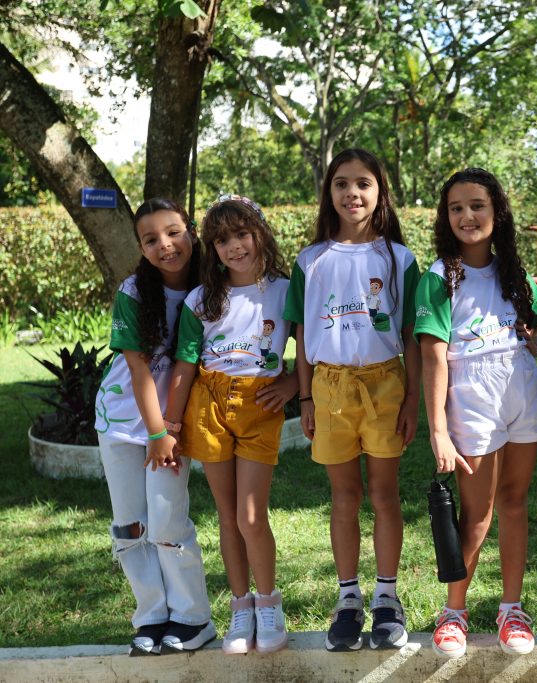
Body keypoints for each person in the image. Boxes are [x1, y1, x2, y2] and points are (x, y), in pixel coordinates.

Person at [283, 148, 421, 652]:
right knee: (344, 496)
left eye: (363, 183)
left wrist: (412, 400)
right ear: (329, 192)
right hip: (329, 387)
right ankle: (347, 599)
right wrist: (305, 398)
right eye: (341, 183)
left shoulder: (399, 258)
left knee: (384, 494)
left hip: (385, 384)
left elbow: (411, 335)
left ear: (380, 191)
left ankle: (387, 597)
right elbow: (301, 334)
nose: (352, 193)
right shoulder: (310, 259)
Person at [415, 168, 537, 659]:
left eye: (477, 206)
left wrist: (533, 345)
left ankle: (511, 610)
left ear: (497, 213)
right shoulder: (438, 278)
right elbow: (432, 357)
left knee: (514, 502)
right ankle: (454, 613)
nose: (467, 216)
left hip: (521, 394)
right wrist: (438, 430)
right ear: (445, 217)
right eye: (456, 208)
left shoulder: (512, 272)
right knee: (476, 513)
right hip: (470, 401)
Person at [160, 195, 296, 655]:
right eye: (222, 240)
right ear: (213, 249)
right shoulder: (201, 299)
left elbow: (313, 346)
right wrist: (171, 426)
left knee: (250, 515)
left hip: (260, 406)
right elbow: (185, 364)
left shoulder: (285, 290)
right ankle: (241, 607)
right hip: (209, 405)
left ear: (261, 233)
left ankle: (269, 602)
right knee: (227, 515)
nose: (234, 246)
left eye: (241, 234)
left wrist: (294, 383)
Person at [93, 198, 215, 656]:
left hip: (173, 424)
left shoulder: (212, 285)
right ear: (141, 249)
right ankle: (150, 617)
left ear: (192, 232)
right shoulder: (134, 291)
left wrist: (167, 432)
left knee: (167, 519)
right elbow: (138, 368)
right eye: (151, 239)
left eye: (173, 232)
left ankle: (192, 618)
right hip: (124, 423)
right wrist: (156, 433)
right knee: (130, 526)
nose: (165, 245)